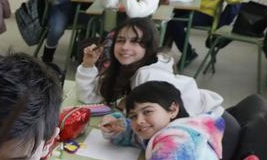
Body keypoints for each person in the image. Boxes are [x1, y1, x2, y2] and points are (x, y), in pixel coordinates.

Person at [77, 17, 224, 116]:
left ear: (148, 47)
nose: (125, 47)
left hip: (210, 120)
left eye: (135, 42)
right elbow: (89, 97)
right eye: (120, 40)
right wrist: (88, 65)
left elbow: (158, 124)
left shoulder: (148, 75)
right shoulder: (125, 67)